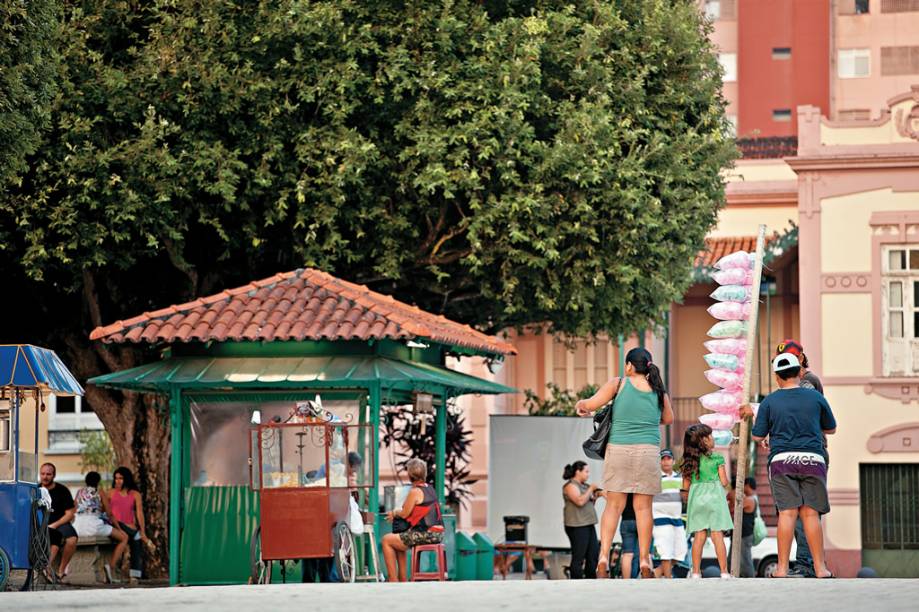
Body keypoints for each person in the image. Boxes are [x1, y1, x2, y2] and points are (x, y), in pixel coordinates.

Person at [575, 347, 674, 579]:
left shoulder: (618, 384)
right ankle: (645, 560)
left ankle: (602, 557)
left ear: (630, 365)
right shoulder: (659, 390)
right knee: (643, 508)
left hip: (619, 449)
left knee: (614, 506)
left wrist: (581, 403)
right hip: (648, 451)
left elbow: (589, 405)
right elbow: (668, 418)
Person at [750, 352, 837, 579]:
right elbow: (831, 428)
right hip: (812, 460)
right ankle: (820, 569)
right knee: (811, 514)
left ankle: (780, 569)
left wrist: (768, 437)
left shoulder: (769, 401)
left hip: (782, 461)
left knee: (787, 514)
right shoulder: (816, 398)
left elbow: (758, 436)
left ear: (777, 377)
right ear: (799, 372)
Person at [776, 339, 824, 578]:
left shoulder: (807, 382)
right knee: (800, 512)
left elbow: (800, 412)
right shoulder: (793, 384)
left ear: (801, 358)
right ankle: (807, 564)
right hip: (798, 452)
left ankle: (807, 564)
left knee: (805, 512)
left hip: (806, 453)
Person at [681, 424, 733, 579]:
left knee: (699, 536)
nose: (712, 438)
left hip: (697, 498)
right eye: (709, 436)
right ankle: (724, 571)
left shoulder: (688, 461)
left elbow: (685, 486)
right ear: (702, 441)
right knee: (717, 535)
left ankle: (696, 572)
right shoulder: (717, 458)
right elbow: (724, 482)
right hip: (715, 498)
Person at [381, 458, 444, 582]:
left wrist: (394, 513)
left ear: (410, 476)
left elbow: (404, 514)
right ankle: (403, 579)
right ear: (424, 474)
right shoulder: (430, 489)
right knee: (400, 538)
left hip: (425, 534)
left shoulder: (415, 492)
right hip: (438, 533)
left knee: (386, 540)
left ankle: (393, 579)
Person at [73, 471, 130, 583]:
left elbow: (75, 508)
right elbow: (110, 513)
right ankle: (111, 567)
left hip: (78, 526)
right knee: (124, 538)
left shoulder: (79, 492)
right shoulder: (100, 492)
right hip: (94, 526)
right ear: (98, 482)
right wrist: (119, 528)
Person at [109, 466, 151, 582]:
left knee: (136, 538)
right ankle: (141, 537)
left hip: (128, 527)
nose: (117, 481)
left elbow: (139, 514)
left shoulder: (135, 494)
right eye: (116, 478)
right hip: (114, 525)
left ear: (126, 479)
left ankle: (135, 575)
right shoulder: (111, 493)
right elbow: (106, 512)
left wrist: (142, 530)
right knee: (136, 535)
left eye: (121, 478)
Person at [561, 461, 600, 579]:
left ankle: (590, 579)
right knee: (579, 556)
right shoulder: (570, 486)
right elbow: (579, 501)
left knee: (592, 555)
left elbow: (588, 504)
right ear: (578, 472)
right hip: (576, 525)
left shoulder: (585, 486)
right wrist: (591, 489)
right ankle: (576, 581)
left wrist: (595, 497)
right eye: (586, 471)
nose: (588, 474)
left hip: (588, 523)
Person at [652, 449, 687, 578]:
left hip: (677, 519)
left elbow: (684, 497)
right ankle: (668, 578)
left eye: (668, 458)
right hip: (660, 518)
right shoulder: (654, 477)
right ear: (659, 461)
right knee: (665, 551)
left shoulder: (680, 478)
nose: (666, 461)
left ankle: (656, 572)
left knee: (680, 552)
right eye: (663, 459)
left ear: (673, 461)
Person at [41, 462, 78, 579]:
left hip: (60, 522)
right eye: (42, 474)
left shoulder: (62, 490)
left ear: (54, 475)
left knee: (72, 540)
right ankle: (45, 568)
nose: (45, 477)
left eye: (48, 474)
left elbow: (69, 514)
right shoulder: (36, 489)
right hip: (41, 523)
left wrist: (55, 525)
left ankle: (60, 571)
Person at [727, 477, 758, 578]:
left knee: (745, 560)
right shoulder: (748, 498)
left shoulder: (750, 499)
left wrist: (730, 499)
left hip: (745, 534)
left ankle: (751, 578)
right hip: (740, 533)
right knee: (732, 558)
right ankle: (733, 575)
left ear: (747, 485)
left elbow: (734, 509)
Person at [618, 493, 639, 579]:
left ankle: (626, 582)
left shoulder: (623, 487)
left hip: (626, 520)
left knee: (627, 554)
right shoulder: (642, 485)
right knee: (644, 554)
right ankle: (646, 581)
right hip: (641, 520)